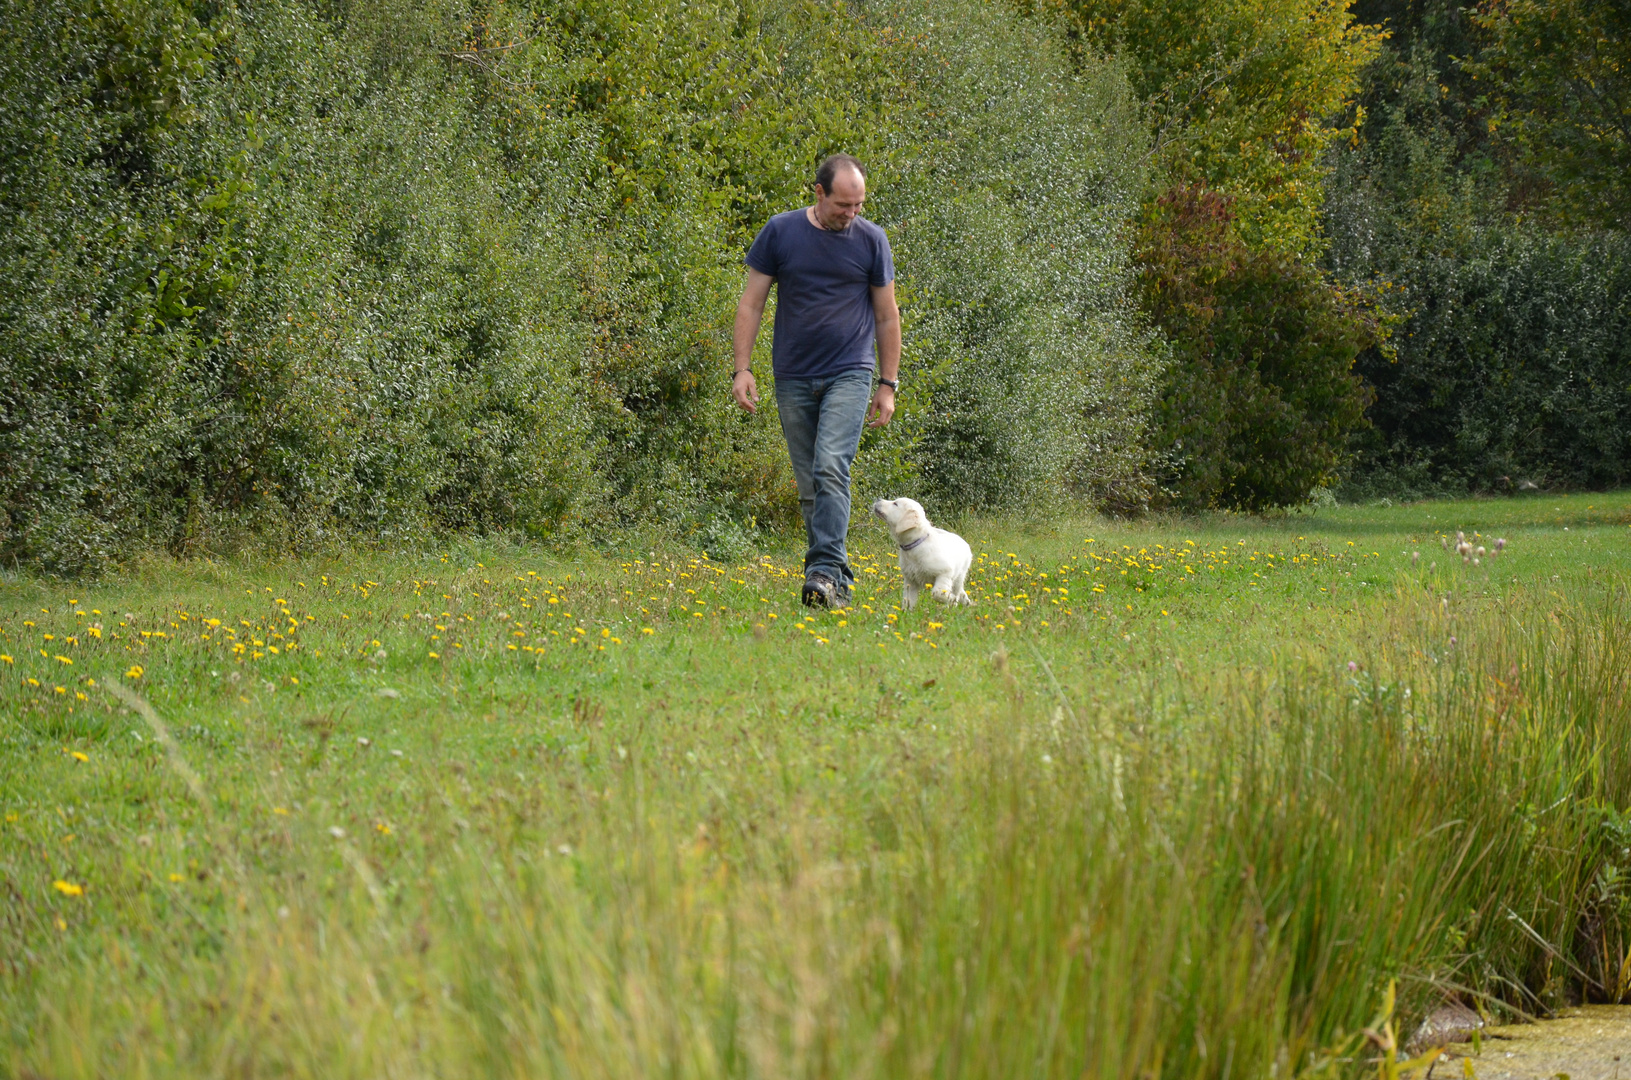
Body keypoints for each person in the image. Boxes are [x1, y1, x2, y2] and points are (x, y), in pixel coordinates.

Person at [731, 153, 901, 609]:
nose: (852, 214)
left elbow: (886, 316)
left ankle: (823, 572)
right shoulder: (781, 232)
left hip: (851, 369)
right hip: (792, 375)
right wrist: (742, 368)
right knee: (810, 483)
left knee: (830, 466)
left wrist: (888, 383)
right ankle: (834, 580)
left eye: (859, 205)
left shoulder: (872, 241)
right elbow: (751, 304)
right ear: (819, 192)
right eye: (843, 205)